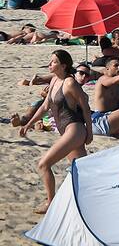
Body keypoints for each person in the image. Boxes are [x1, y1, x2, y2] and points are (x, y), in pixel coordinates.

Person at [20, 50, 92, 212]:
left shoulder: (69, 83)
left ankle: (50, 203)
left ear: (63, 65)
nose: (49, 64)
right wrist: (28, 124)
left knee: (43, 164)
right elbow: (45, 107)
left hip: (75, 129)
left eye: (53, 62)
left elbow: (86, 107)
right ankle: (93, 200)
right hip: (66, 131)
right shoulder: (54, 80)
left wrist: (90, 132)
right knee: (80, 170)